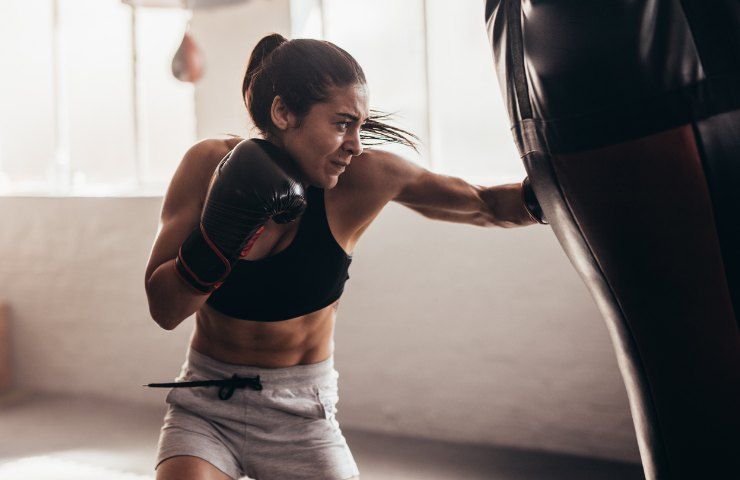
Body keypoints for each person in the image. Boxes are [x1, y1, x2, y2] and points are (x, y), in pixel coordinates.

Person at [144, 33, 540, 480]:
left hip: (301, 415)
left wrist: (562, 188)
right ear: (283, 113)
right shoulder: (207, 165)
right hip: (206, 405)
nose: (355, 144)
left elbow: (484, 203)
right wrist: (222, 231)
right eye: (341, 123)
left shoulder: (367, 178)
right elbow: (165, 309)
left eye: (360, 126)